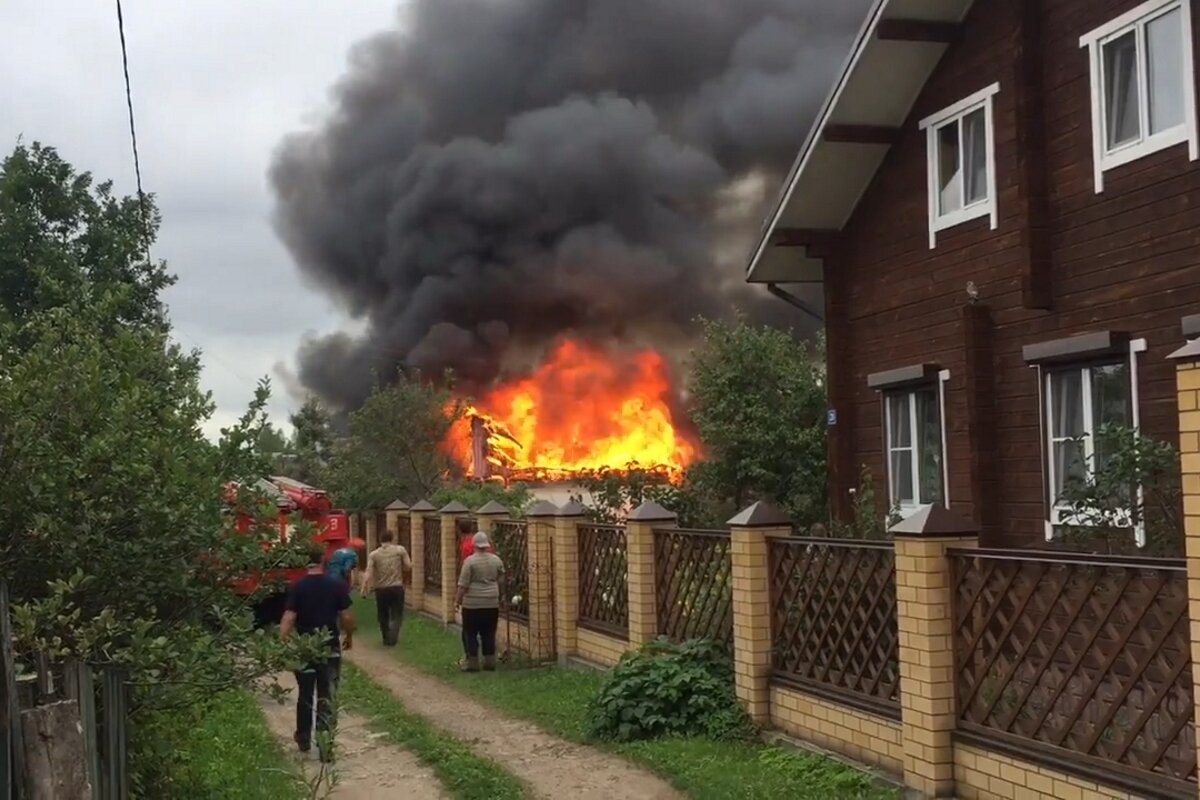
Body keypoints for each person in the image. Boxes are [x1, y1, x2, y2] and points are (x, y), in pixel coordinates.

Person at [280, 547, 355, 762]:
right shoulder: (337, 586)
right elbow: (347, 616)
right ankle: (325, 745)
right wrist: (348, 635)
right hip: (329, 648)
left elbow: (288, 618)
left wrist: (283, 646)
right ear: (324, 560)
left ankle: (303, 738)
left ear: (305, 562)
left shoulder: (298, 587)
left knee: (305, 693)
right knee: (327, 695)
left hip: (305, 649)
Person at [455, 531, 504, 672]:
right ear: (487, 545)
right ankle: (489, 662)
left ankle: (473, 663)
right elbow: (501, 580)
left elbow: (463, 585)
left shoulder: (470, 562)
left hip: (472, 604)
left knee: (470, 632)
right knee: (489, 632)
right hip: (491, 603)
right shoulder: (496, 560)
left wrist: (457, 601)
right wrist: (500, 597)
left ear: (474, 545)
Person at [360, 528, 411, 646]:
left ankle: (386, 638)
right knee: (397, 613)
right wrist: (402, 569)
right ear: (392, 538)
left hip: (381, 589)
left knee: (382, 614)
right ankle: (393, 634)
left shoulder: (374, 554)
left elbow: (368, 572)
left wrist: (363, 588)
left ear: (380, 540)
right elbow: (408, 566)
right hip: (397, 587)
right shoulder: (400, 550)